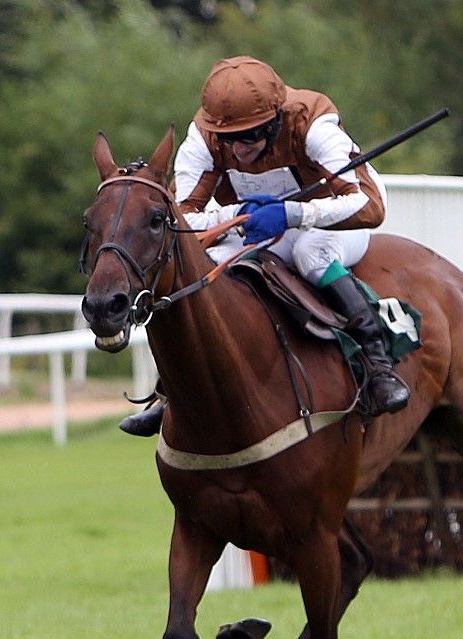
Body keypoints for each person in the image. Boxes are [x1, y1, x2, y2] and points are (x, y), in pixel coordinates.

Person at [118, 55, 409, 437]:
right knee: (207, 266)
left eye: (249, 137)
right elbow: (183, 219)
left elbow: (369, 206)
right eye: (228, 140)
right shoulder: (204, 136)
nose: (237, 151)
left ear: (274, 122)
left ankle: (377, 365)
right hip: (257, 226)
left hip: (334, 222)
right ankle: (171, 390)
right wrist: (236, 212)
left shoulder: (313, 122)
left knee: (310, 254)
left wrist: (292, 214)